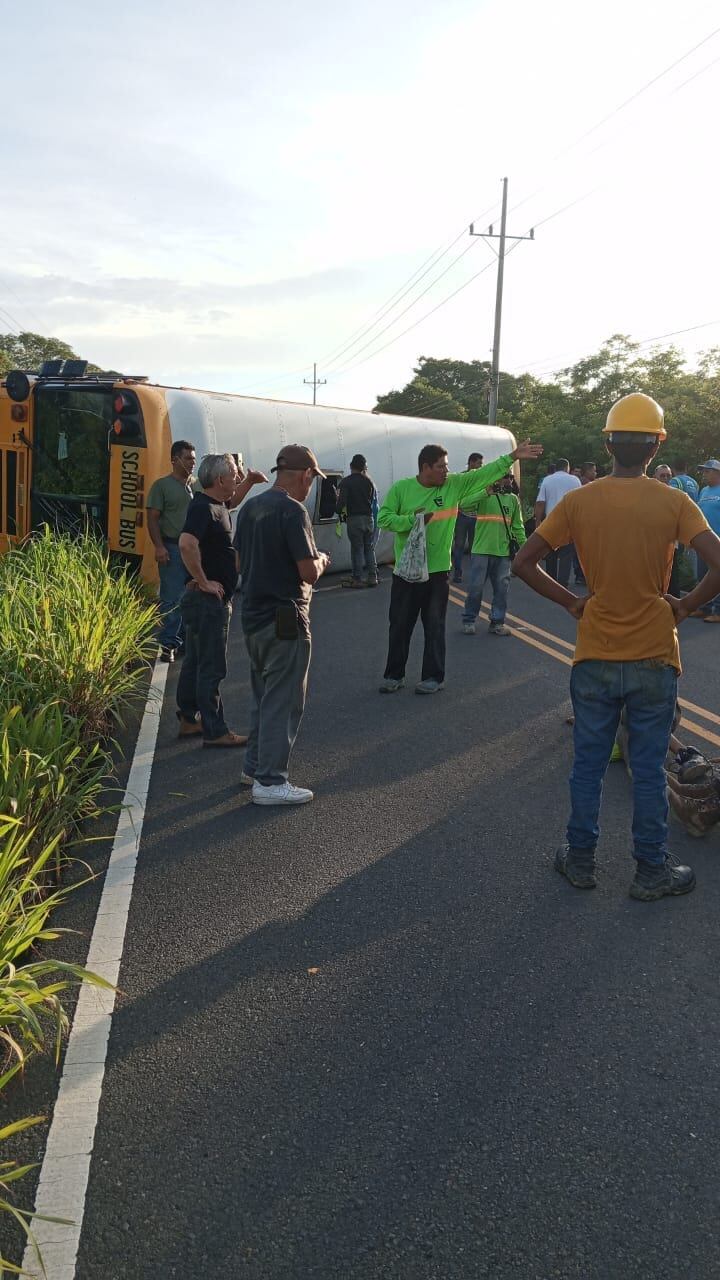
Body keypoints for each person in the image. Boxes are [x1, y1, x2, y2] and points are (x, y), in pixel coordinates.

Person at [513, 391, 720, 902]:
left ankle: (580, 860)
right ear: (656, 447)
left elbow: (523, 563)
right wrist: (685, 605)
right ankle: (651, 870)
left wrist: (573, 602)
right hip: (654, 652)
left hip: (595, 651)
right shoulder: (675, 500)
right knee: (648, 769)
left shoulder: (580, 501)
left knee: (587, 764)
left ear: (608, 443)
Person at [377, 438, 542, 694]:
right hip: (407, 573)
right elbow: (384, 518)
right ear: (425, 467)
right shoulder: (402, 489)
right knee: (399, 625)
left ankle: (433, 677)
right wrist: (413, 520)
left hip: (438, 572)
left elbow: (482, 474)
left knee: (434, 625)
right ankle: (394, 675)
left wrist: (511, 457)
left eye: (446, 466)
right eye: (441, 466)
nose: (446, 470)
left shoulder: (453, 485)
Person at [233, 444, 330, 805]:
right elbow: (308, 571)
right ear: (306, 475)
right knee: (284, 699)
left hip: (253, 615)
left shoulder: (251, 507)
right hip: (286, 615)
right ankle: (271, 782)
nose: (311, 487)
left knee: (263, 696)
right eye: (312, 480)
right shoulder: (293, 511)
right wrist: (321, 560)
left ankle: (253, 767)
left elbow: (239, 563)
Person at [176, 453, 267, 746]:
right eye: (234, 475)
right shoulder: (202, 508)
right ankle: (215, 731)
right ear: (219, 480)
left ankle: (189, 719)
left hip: (201, 599)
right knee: (212, 666)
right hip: (206, 601)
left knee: (195, 661)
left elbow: (232, 502)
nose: (237, 479)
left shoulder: (215, 504)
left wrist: (250, 482)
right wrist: (203, 580)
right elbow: (186, 543)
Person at [146, 440, 197, 661]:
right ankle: (168, 644)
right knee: (171, 598)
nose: (192, 463)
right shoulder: (161, 486)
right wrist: (159, 546)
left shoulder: (195, 486)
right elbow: (152, 518)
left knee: (190, 597)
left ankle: (184, 641)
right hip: (172, 547)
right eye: (188, 458)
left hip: (193, 550)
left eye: (194, 459)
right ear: (175, 459)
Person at [461, 472, 526, 636]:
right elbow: (463, 505)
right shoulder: (484, 496)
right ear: (496, 478)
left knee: (501, 590)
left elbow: (518, 526)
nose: (508, 480)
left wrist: (525, 548)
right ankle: (469, 620)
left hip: (503, 553)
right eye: (505, 477)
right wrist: (485, 492)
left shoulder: (513, 500)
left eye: (510, 477)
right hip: (481, 550)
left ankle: (497, 622)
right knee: (476, 588)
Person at [533, 459, 581, 587]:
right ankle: (563, 582)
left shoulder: (547, 480)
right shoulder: (575, 480)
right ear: (567, 467)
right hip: (569, 522)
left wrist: (537, 522)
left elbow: (540, 502)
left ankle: (550, 580)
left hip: (551, 521)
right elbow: (580, 503)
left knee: (550, 553)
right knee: (566, 554)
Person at [336, 454, 378, 588]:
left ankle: (357, 579)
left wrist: (336, 507)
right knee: (369, 548)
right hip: (369, 518)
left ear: (351, 466)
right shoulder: (369, 481)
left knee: (357, 549)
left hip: (355, 519)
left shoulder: (346, 482)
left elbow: (342, 502)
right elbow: (371, 500)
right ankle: (373, 577)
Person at [692, 459, 720, 623]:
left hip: (718, 541)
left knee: (718, 575)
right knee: (702, 575)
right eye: (703, 471)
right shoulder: (703, 491)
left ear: (718, 473)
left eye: (707, 471)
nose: (704, 474)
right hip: (703, 541)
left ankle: (718, 610)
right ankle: (704, 608)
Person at [451, 452, 484, 583]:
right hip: (461, 515)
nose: (481, 466)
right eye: (479, 463)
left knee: (474, 546)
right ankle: (458, 573)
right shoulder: (462, 477)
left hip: (476, 516)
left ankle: (475, 574)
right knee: (459, 545)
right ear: (471, 463)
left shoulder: (481, 478)